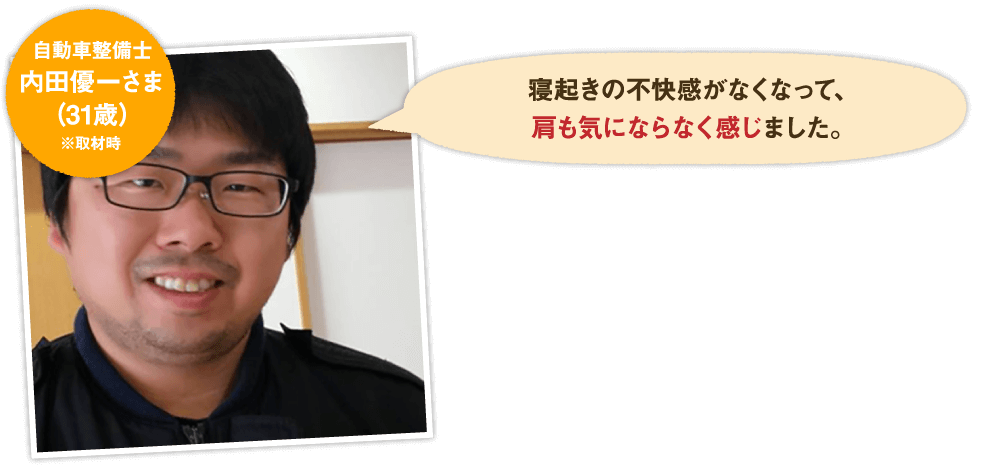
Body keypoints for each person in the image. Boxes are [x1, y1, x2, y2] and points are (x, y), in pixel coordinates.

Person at [31, 50, 427, 452]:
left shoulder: (396, 413)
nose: (193, 233)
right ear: (60, 225)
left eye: (240, 186)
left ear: (289, 232)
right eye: (143, 182)